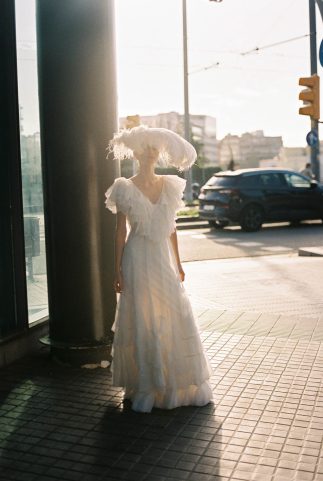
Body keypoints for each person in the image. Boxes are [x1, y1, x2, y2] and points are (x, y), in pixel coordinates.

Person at [105, 125, 213, 413]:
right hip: (137, 256)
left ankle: (176, 384)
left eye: (155, 150)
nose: (151, 154)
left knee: (173, 311)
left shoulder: (170, 184)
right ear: (137, 153)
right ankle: (147, 386)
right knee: (143, 316)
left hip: (162, 257)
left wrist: (178, 263)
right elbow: (119, 233)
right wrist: (116, 270)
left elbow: (172, 228)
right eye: (146, 150)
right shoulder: (123, 187)